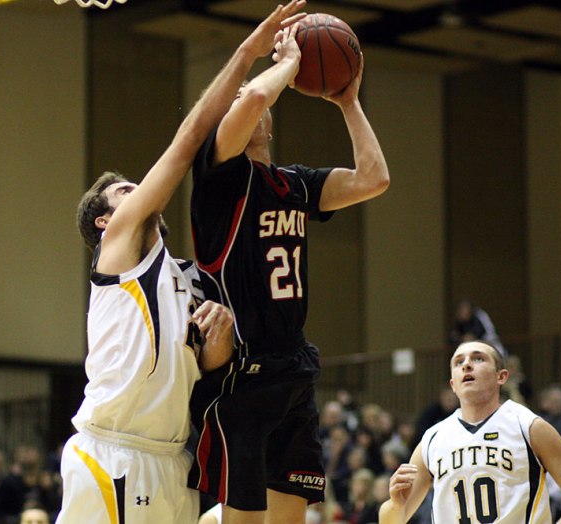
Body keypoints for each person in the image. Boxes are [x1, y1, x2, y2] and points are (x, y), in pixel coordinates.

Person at [57, 3, 308, 524]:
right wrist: (249, 53)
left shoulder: (192, 279)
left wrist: (218, 338)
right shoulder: (118, 250)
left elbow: (208, 369)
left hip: (173, 461)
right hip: (113, 449)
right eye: (125, 192)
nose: (140, 192)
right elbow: (189, 139)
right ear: (104, 221)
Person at [186, 8, 389, 524]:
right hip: (242, 372)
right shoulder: (218, 176)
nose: (247, 100)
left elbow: (374, 178)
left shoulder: (295, 184)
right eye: (233, 101)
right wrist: (290, 61)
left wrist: (348, 102)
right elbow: (256, 96)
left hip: (294, 367)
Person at [380, 341, 561, 524]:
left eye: (478, 359)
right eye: (459, 362)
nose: (466, 365)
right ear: (453, 384)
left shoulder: (528, 426)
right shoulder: (432, 439)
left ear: (501, 376)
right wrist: (396, 505)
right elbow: (392, 519)